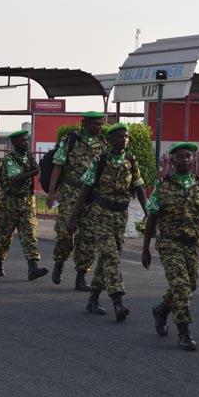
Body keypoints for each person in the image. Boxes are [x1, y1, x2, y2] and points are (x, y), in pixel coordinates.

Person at [142, 142, 199, 351]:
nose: (185, 159)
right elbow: (152, 219)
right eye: (180, 156)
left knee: (190, 284)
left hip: (192, 245)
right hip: (169, 244)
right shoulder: (163, 186)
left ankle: (162, 309)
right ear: (172, 160)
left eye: (188, 156)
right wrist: (145, 248)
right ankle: (184, 332)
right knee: (182, 288)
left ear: (193, 160)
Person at [66, 123, 147, 321]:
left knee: (106, 259)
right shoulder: (99, 161)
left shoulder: (130, 161)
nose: (124, 140)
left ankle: (93, 299)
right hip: (100, 214)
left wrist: (148, 214)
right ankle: (117, 301)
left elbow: (140, 188)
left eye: (126, 137)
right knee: (111, 256)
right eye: (119, 137)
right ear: (110, 140)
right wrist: (73, 217)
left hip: (120, 217)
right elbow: (85, 189)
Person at [46, 111, 109, 290]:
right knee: (66, 233)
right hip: (69, 192)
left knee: (88, 237)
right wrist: (51, 192)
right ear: (85, 123)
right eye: (96, 124)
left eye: (101, 124)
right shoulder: (71, 140)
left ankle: (81, 276)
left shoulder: (102, 144)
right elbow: (58, 166)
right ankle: (59, 262)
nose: (100, 127)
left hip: (91, 196)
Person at [0, 129, 47, 280]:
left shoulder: (29, 157)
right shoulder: (9, 160)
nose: (26, 143)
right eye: (22, 140)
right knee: (5, 235)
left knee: (29, 233)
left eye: (27, 140)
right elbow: (16, 179)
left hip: (26, 201)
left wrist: (35, 168)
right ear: (14, 143)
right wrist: (34, 172)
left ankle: (32, 266)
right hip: (10, 202)